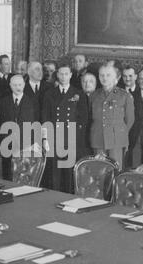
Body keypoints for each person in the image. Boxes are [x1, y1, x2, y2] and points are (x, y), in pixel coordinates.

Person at [42, 63, 89, 193]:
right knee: (54, 172)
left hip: (71, 138)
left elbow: (83, 119)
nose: (63, 77)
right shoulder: (50, 93)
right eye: (61, 74)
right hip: (55, 138)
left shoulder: (78, 93)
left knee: (69, 172)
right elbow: (45, 117)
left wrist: (76, 138)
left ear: (71, 75)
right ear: (57, 75)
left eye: (66, 74)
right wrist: (45, 139)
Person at [90, 63, 134, 169]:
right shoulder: (94, 95)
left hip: (116, 140)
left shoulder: (124, 95)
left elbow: (130, 119)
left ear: (115, 77)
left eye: (108, 75)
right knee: (99, 170)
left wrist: (119, 132)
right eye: (102, 75)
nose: (104, 78)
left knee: (115, 170)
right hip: (98, 138)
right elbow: (90, 118)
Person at [0, 75, 37, 180]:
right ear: (10, 86)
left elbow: (36, 124)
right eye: (15, 85)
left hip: (25, 144)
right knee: (7, 173)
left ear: (24, 85)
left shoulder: (32, 101)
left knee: (23, 173)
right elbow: (0, 123)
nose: (17, 87)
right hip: (7, 143)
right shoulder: (3, 102)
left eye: (20, 84)